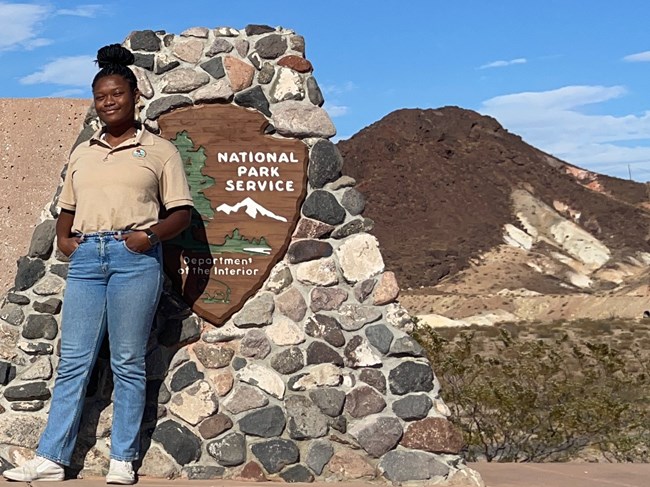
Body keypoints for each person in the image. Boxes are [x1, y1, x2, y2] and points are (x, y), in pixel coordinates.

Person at [3, 44, 193, 484]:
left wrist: (146, 237)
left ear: (134, 96)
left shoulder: (160, 151)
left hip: (135, 258)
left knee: (128, 361)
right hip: (87, 260)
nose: (108, 102)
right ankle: (52, 458)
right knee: (74, 360)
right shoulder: (83, 152)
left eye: (116, 94)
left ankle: (122, 460)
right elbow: (66, 208)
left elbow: (181, 212)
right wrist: (68, 242)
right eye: (101, 96)